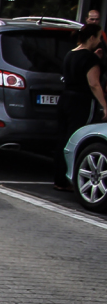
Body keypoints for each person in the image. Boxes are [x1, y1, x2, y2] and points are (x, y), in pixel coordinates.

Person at [55, 24, 107, 190]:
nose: (99, 41)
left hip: (65, 98)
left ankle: (59, 178)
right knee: (77, 137)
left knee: (63, 138)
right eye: (98, 37)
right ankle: (73, 178)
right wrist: (105, 105)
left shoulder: (70, 54)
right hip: (81, 101)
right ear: (92, 38)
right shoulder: (89, 59)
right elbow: (94, 84)